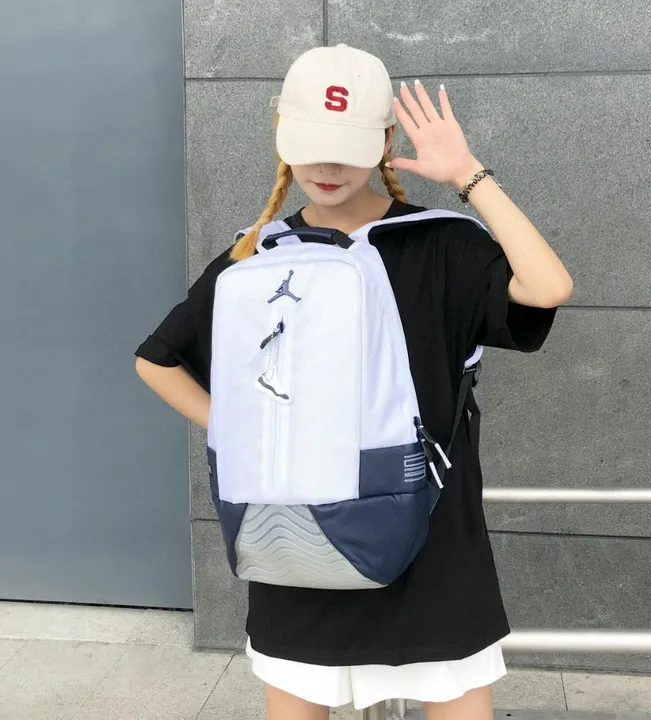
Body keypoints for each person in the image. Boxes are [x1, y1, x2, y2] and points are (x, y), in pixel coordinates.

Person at [135, 43, 573, 720]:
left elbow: (548, 287)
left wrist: (469, 175)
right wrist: (246, 431)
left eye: (345, 148)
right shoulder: (256, 254)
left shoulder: (441, 243)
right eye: (310, 146)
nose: (326, 168)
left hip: (431, 549)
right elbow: (157, 359)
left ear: (386, 142)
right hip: (298, 547)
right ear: (283, 138)